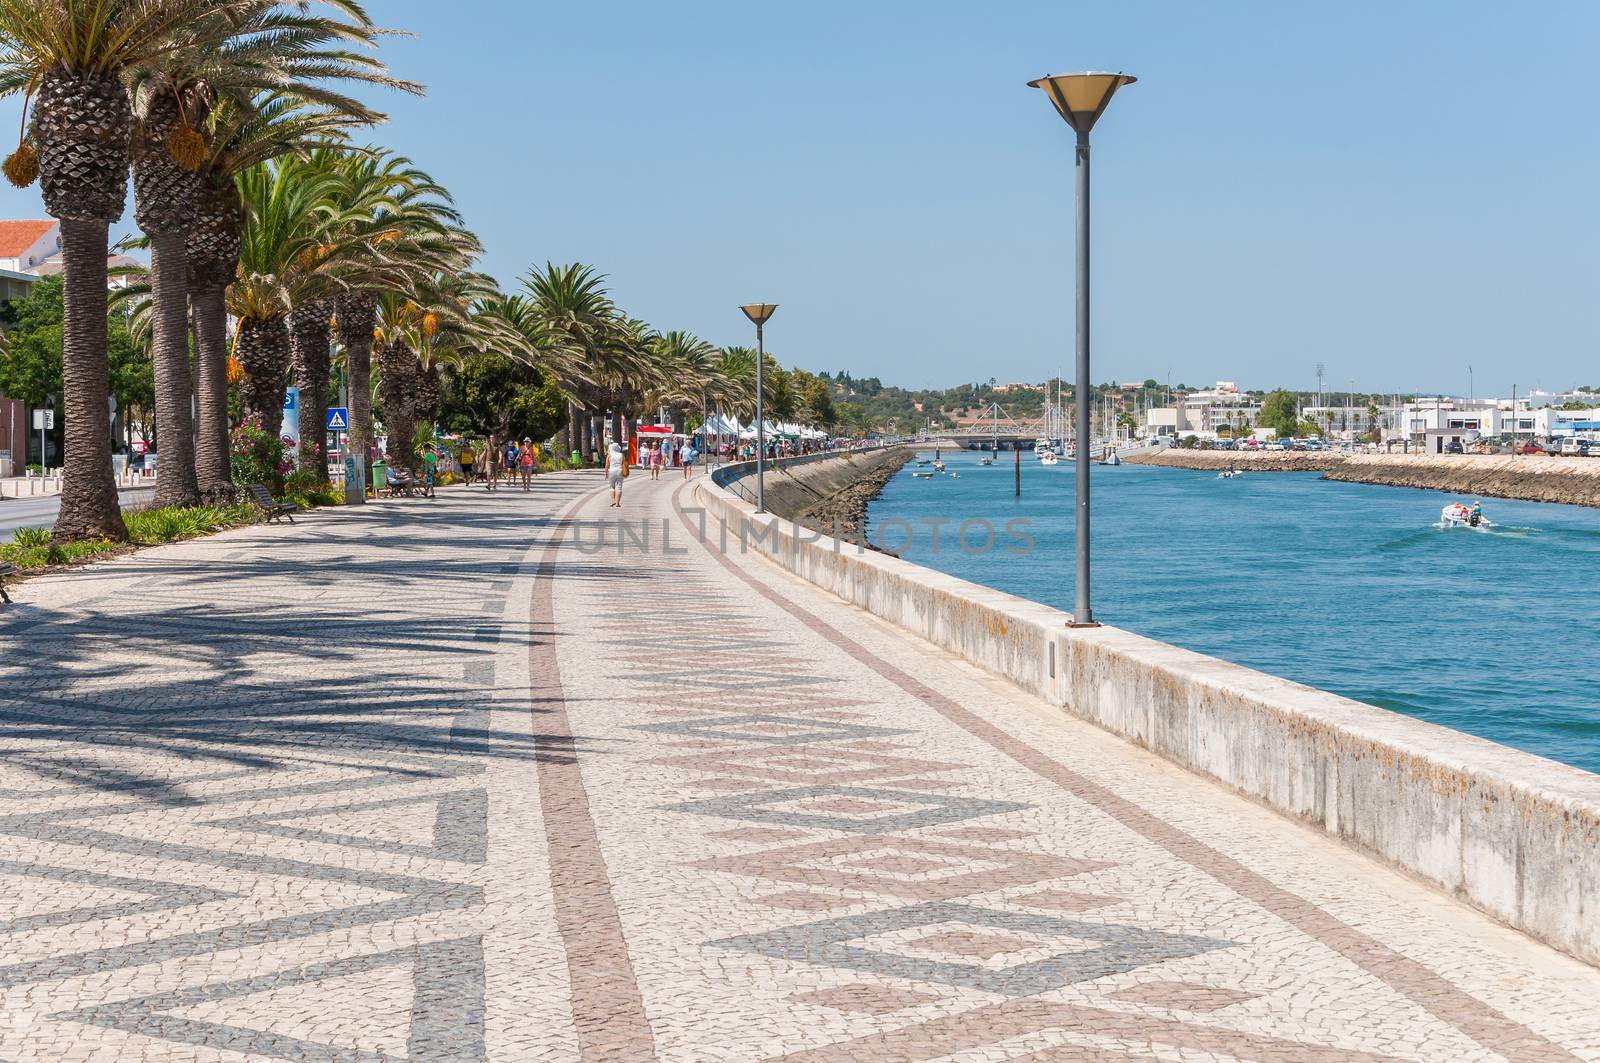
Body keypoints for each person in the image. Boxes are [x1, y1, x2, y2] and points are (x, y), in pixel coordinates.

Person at [605, 438, 625, 507]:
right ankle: (617, 503)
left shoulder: (609, 455)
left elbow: (607, 465)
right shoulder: (621, 455)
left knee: (611, 487)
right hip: (619, 471)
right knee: (619, 487)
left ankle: (613, 500)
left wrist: (606, 473)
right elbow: (624, 464)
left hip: (611, 471)